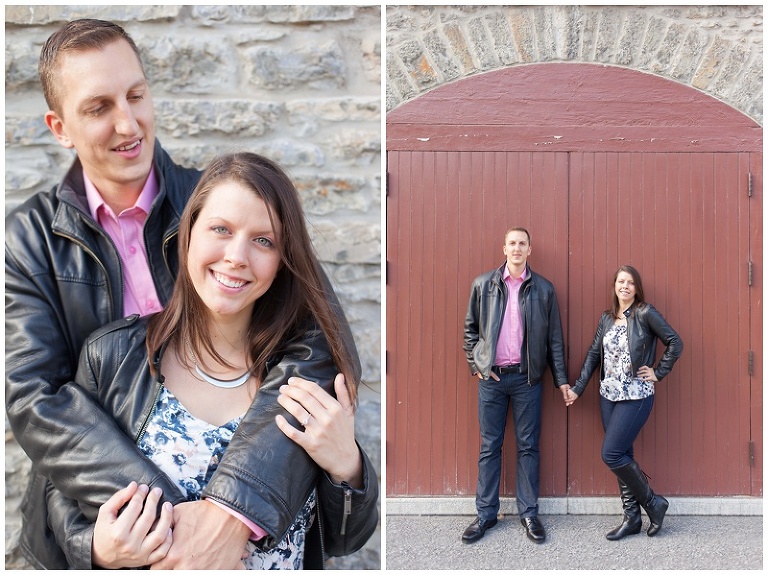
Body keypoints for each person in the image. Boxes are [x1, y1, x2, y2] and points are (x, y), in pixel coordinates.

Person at [5, 19, 376, 569]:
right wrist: (170, 526)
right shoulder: (29, 239)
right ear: (60, 127)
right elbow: (39, 401)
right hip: (94, 522)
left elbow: (318, 336)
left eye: (136, 95)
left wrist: (230, 512)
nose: (128, 122)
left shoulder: (220, 206)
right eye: (99, 106)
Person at [45, 151, 378, 569]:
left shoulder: (305, 377)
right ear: (189, 234)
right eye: (221, 229)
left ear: (281, 261)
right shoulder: (112, 358)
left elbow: (347, 538)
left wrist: (347, 466)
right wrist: (96, 548)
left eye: (263, 240)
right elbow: (60, 490)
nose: (238, 256)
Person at [462, 227, 570, 544]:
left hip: (527, 379)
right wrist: (477, 365)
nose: (517, 248)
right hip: (492, 379)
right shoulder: (483, 285)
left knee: (528, 447)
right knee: (489, 447)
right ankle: (485, 515)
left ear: (529, 250)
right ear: (504, 248)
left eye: (522, 243)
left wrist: (561, 380)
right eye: (512, 243)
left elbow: (555, 342)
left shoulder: (544, 289)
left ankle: (528, 514)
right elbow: (470, 331)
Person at [565, 265, 682, 540]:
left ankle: (654, 504)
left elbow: (675, 342)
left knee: (611, 454)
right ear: (615, 286)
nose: (625, 286)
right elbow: (594, 355)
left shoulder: (645, 313)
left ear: (637, 288)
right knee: (623, 456)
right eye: (621, 281)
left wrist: (658, 372)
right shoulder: (606, 318)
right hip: (608, 395)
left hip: (637, 395)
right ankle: (631, 519)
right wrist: (578, 388)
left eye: (630, 282)